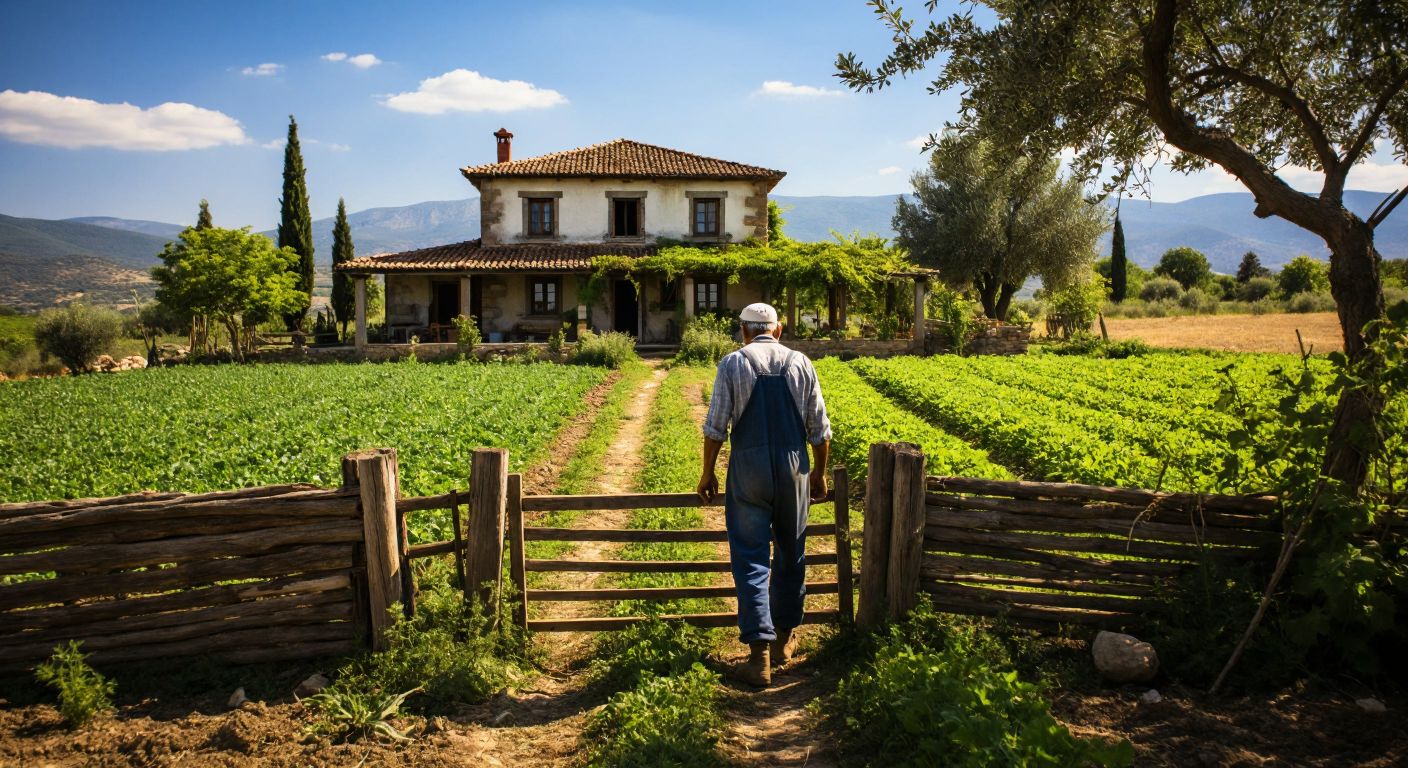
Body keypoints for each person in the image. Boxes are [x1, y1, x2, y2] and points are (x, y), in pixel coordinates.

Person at [697, 302, 832, 687]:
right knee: (791, 552)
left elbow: (715, 428)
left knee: (751, 557)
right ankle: (785, 641)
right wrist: (818, 476)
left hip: (748, 467)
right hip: (793, 466)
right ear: (778, 330)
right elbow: (820, 431)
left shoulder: (733, 364)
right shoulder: (801, 363)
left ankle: (759, 656)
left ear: (743, 331)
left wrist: (708, 473)